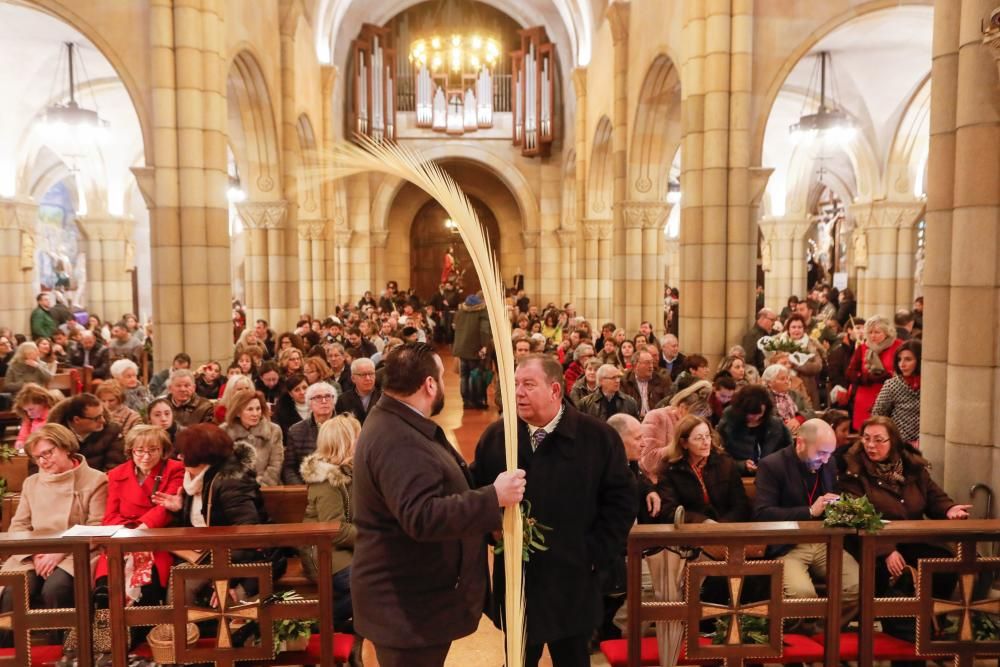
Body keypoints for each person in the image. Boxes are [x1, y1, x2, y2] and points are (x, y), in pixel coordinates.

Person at [351, 342, 525, 666]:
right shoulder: (398, 438)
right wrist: (492, 497)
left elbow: (437, 485)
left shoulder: (396, 421)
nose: (444, 384)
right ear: (429, 384)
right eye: (442, 377)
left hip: (412, 603)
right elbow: (421, 515)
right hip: (406, 608)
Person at [472, 353, 635, 666]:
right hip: (519, 580)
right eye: (516, 384)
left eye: (529, 384)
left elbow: (621, 502)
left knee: (572, 659)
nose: (518, 392)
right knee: (518, 660)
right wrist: (491, 531)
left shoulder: (597, 438)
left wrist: (593, 553)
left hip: (572, 580)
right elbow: (478, 493)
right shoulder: (498, 437)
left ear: (555, 390)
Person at [837, 416, 969, 646]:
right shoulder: (853, 471)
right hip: (872, 543)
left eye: (879, 440)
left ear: (894, 442)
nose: (871, 445)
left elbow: (934, 496)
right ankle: (904, 633)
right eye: (866, 438)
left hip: (912, 538)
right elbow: (857, 516)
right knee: (890, 572)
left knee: (944, 562)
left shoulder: (912, 467)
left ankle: (933, 625)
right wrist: (886, 550)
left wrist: (949, 509)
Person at [0, 424, 107, 646]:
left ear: (65, 447)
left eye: (48, 453)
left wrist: (59, 552)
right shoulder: (32, 483)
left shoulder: (95, 480)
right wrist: (37, 552)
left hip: (75, 552)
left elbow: (96, 527)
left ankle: (64, 650)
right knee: (13, 588)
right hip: (33, 553)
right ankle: (10, 653)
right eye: (37, 457)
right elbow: (18, 525)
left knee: (56, 588)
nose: (43, 461)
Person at [153, 424, 286, 600]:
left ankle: (192, 626)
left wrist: (228, 579)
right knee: (179, 582)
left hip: (249, 559)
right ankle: (183, 627)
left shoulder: (230, 481)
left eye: (184, 453)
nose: (179, 457)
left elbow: (248, 534)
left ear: (200, 455)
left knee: (221, 599)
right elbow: (200, 521)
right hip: (211, 553)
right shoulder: (196, 478)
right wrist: (180, 509)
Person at [753, 419, 860, 631]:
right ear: (800, 443)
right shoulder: (772, 465)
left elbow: (835, 494)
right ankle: (802, 642)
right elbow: (762, 514)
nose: (827, 459)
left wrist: (842, 506)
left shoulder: (829, 463)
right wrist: (809, 511)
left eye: (830, 453)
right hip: (788, 545)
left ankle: (822, 634)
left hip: (824, 541)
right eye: (821, 453)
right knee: (803, 597)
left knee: (857, 586)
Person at [92, 425, 184, 609]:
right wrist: (127, 532)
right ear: (130, 451)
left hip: (156, 539)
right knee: (106, 588)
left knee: (148, 589)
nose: (146, 456)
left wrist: (143, 527)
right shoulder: (117, 474)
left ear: (163, 450)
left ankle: (143, 632)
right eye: (139, 451)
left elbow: (165, 507)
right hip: (122, 540)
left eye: (153, 450)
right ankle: (110, 633)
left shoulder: (175, 470)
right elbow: (110, 516)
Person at [299, 414, 363, 630]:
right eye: (358, 436)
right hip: (323, 551)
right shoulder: (327, 479)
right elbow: (335, 530)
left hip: (344, 548)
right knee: (366, 586)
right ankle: (317, 627)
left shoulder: (351, 471)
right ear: (345, 443)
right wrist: (375, 536)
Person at [653, 415, 750, 524]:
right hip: (689, 533)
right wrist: (702, 522)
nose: (706, 442)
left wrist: (722, 526)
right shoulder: (669, 468)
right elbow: (669, 511)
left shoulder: (724, 462)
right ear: (684, 443)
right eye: (699, 438)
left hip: (726, 528)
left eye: (708, 436)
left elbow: (741, 504)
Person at [716, 384, 792, 475]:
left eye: (759, 414)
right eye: (751, 414)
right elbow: (718, 456)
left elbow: (789, 451)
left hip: (771, 474)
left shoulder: (775, 425)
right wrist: (741, 465)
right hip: (737, 476)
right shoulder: (728, 424)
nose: (755, 418)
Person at [846, 315, 902, 431]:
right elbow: (850, 372)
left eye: (877, 332)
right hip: (866, 396)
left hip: (890, 397)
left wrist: (888, 376)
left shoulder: (898, 346)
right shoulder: (863, 348)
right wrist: (867, 378)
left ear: (887, 332)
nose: (873, 336)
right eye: (870, 332)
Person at [48, 393, 125, 472]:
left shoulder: (112, 431)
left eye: (102, 415)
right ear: (77, 420)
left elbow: (115, 467)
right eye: (96, 418)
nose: (103, 420)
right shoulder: (53, 437)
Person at [221, 390, 284, 486]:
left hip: (265, 488)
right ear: (238, 412)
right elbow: (222, 466)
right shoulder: (224, 431)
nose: (255, 414)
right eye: (250, 409)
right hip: (234, 489)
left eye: (258, 409)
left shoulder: (274, 430)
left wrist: (261, 485)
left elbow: (276, 465)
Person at [282, 381, 337, 484]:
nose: (324, 401)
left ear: (334, 401)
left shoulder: (347, 427)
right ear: (309, 403)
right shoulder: (295, 431)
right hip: (307, 486)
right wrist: (301, 490)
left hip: (338, 485)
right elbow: (289, 468)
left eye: (328, 396)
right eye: (318, 397)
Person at [871, 340, 921, 446]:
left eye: (908, 359)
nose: (902, 364)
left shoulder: (930, 385)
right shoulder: (892, 385)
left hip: (927, 442)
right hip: (899, 444)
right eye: (899, 360)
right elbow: (878, 415)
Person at [453, 293, 492, 409]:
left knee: (464, 376)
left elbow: (455, 327)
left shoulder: (460, 311)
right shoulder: (481, 312)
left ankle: (466, 401)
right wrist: (484, 345)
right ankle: (476, 401)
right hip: (475, 348)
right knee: (475, 375)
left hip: (461, 348)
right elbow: (484, 330)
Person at [761, 363, 813, 436]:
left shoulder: (795, 394)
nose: (787, 381)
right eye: (782, 379)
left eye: (788, 378)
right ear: (770, 383)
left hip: (800, 431)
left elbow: (810, 411)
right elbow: (765, 419)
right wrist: (785, 424)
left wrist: (798, 420)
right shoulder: (763, 398)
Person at [620, 349, 672, 419]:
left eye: (652, 363)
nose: (651, 366)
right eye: (647, 363)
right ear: (635, 366)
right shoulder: (625, 381)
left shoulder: (662, 380)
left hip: (656, 420)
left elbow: (669, 403)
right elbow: (622, 407)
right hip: (634, 420)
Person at [13, 382, 58, 452]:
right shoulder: (28, 418)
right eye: (26, 410)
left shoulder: (55, 416)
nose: (29, 413)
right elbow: (23, 435)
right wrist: (20, 441)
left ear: (43, 402)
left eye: (31, 409)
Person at [335, 358, 382, 425]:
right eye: (363, 375)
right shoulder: (343, 400)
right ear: (353, 378)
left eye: (371, 374)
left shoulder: (383, 397)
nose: (368, 378)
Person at [742, 308, 777, 373]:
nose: (774, 323)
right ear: (762, 318)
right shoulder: (752, 336)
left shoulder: (768, 334)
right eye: (772, 320)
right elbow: (749, 359)